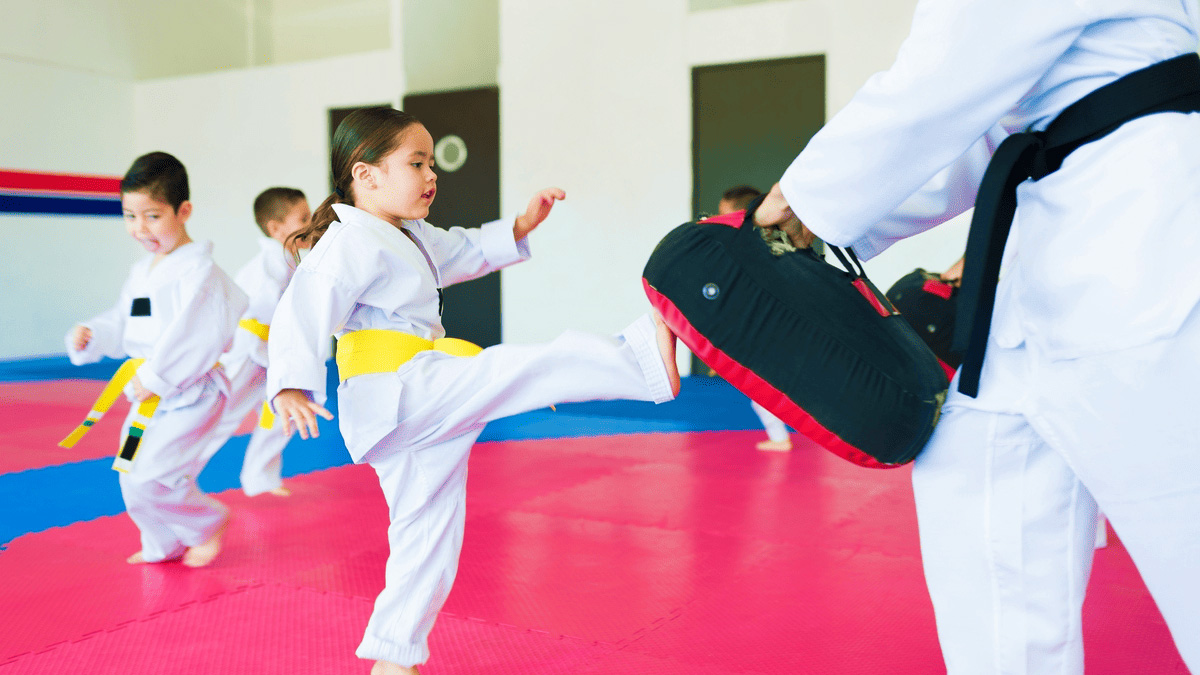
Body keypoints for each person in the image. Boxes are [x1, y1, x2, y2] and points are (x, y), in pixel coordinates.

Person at [754, 3, 1200, 672]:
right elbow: (978, 128)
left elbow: (943, 74)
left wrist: (799, 201)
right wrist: (805, 226)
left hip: (1143, 227)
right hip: (1039, 239)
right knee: (984, 520)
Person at [266, 107, 680, 675]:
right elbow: (302, 308)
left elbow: (461, 251)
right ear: (367, 176)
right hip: (399, 389)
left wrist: (518, 228)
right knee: (514, 368)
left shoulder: (406, 234)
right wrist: (290, 382)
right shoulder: (348, 241)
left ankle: (393, 653)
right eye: (416, 162)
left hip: (406, 406)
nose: (431, 174)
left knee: (428, 533)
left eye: (432, 162)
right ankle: (637, 362)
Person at [64, 151, 248, 567]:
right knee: (129, 471)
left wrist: (160, 377)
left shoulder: (200, 273)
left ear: (183, 211)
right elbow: (126, 322)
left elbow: (198, 337)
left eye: (152, 216)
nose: (139, 228)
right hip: (148, 394)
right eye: (130, 216)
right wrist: (95, 335)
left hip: (191, 393)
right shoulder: (144, 271)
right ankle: (164, 544)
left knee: (153, 475)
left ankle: (207, 522)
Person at [197, 187, 311, 497]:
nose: (311, 223)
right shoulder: (266, 265)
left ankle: (261, 478)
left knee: (282, 413)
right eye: (303, 218)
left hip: (275, 353)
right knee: (222, 414)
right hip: (248, 349)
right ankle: (179, 475)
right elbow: (258, 307)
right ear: (276, 229)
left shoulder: (290, 260)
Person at [717, 185, 794, 451]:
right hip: (773, 326)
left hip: (771, 327)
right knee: (764, 388)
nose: (719, 219)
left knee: (760, 389)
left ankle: (780, 439)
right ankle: (780, 436)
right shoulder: (764, 241)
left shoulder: (754, 244)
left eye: (723, 214)